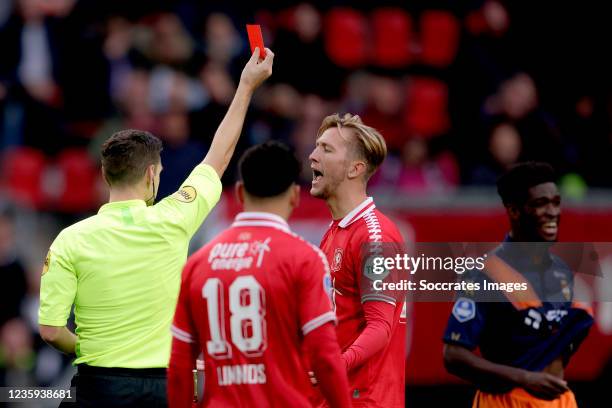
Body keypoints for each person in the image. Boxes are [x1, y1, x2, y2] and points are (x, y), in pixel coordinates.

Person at [37, 47, 274, 407]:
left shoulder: (70, 239)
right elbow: (220, 154)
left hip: (99, 384)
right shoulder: (173, 218)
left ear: (105, 174)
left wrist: (92, 348)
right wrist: (245, 86)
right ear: (151, 174)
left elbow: (51, 331)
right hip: (165, 387)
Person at [168, 141, 351, 408]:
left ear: (240, 193)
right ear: (295, 196)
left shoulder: (198, 264)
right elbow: (325, 356)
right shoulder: (305, 259)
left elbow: (180, 364)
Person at [443, 162, 594, 408]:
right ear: (514, 211)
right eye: (540, 204)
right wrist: (525, 378)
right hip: (504, 401)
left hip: (559, 402)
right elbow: (454, 356)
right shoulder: (483, 275)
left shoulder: (562, 272)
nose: (552, 212)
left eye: (556, 203)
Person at [308, 113, 406, 407]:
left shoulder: (375, 237)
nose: (312, 156)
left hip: (366, 399)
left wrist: (335, 364)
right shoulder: (336, 231)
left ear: (355, 168)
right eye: (316, 146)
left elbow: (380, 327)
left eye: (326, 149)